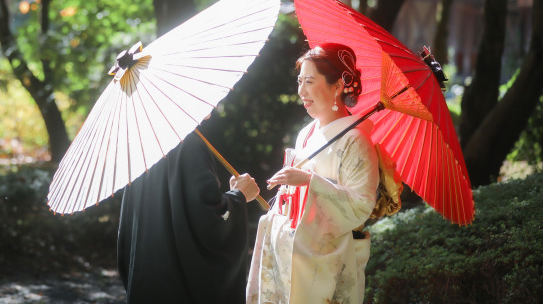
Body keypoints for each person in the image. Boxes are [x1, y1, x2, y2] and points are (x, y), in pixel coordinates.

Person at [246, 43, 380, 304]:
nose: (301, 91)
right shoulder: (305, 133)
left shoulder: (356, 141)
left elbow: (361, 206)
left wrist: (310, 181)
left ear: (338, 86)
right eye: (299, 81)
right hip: (290, 252)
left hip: (328, 262)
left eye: (309, 81)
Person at [118, 130, 260, 304]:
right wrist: (239, 196)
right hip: (177, 283)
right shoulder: (189, 144)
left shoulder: (143, 146)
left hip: (146, 274)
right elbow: (206, 220)